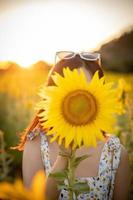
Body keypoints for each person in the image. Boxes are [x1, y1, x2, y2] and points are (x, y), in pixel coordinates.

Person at [14, 51, 130, 200]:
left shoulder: (115, 154)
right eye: (69, 91)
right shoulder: (36, 145)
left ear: (99, 94)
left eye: (85, 92)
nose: (80, 104)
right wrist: (64, 156)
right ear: (54, 93)